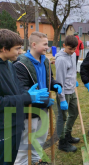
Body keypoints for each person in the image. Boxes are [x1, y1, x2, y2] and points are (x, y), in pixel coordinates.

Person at [0, 29, 49, 165]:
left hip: (15, 123)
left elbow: (15, 91)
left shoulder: (9, 65)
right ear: (4, 49)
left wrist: (27, 94)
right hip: (3, 129)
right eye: (17, 48)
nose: (20, 52)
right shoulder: (16, 64)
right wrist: (27, 98)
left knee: (9, 159)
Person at [13, 31, 62, 165]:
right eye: (45, 44)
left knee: (40, 137)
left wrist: (55, 85)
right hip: (29, 110)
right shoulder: (20, 64)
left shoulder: (45, 61)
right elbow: (22, 89)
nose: (47, 47)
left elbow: (48, 79)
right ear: (34, 45)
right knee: (26, 141)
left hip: (44, 107)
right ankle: (21, 163)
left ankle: (35, 160)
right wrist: (43, 101)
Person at [55, 35, 80, 152]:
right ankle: (62, 142)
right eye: (70, 49)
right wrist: (62, 99)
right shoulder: (61, 60)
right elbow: (60, 81)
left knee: (74, 113)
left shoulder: (73, 54)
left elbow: (72, 70)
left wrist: (74, 80)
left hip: (72, 90)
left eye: (74, 49)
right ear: (64, 46)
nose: (72, 51)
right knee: (62, 118)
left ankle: (67, 134)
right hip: (63, 92)